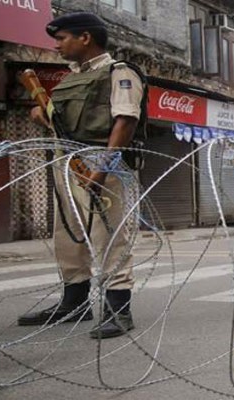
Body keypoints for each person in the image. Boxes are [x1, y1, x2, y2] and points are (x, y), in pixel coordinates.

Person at [19, 12, 145, 338]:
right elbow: (61, 122)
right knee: (69, 235)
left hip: (103, 164)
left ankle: (119, 309)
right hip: (68, 163)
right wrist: (40, 113)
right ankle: (73, 303)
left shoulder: (118, 72)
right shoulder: (69, 79)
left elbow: (126, 120)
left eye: (62, 38)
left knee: (110, 235)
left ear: (85, 37)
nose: (57, 45)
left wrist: (101, 170)